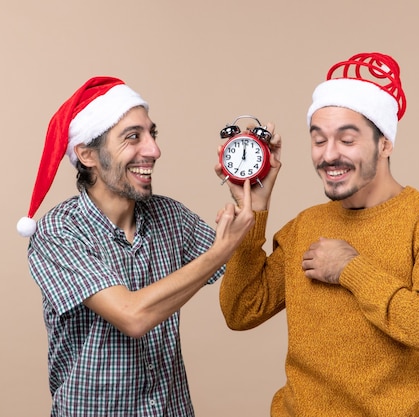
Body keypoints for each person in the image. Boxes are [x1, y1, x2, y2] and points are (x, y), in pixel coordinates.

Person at [215, 52, 419, 417]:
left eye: (347, 140)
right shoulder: (306, 225)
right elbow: (241, 311)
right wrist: (252, 209)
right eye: (319, 140)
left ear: (385, 144)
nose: (329, 155)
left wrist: (351, 269)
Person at [16, 76, 254, 416]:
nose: (154, 150)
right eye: (133, 137)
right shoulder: (59, 231)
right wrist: (219, 252)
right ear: (87, 154)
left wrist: (254, 196)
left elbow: (248, 284)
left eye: (151, 134)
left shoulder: (171, 217)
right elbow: (132, 316)